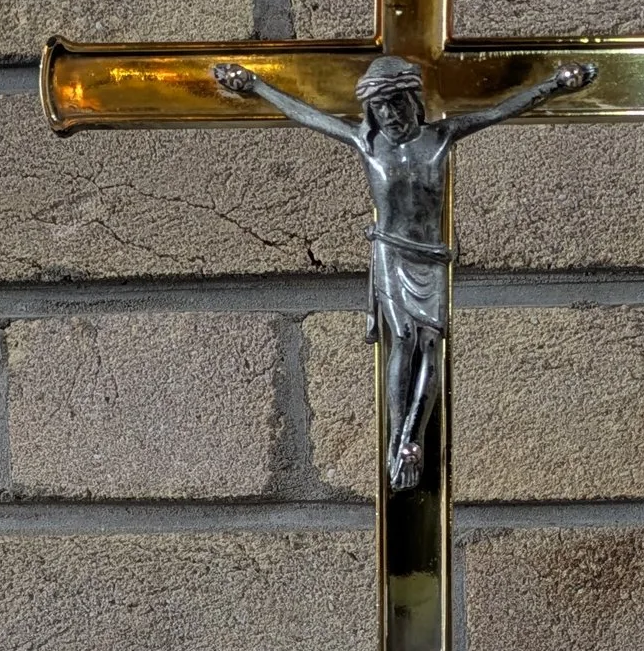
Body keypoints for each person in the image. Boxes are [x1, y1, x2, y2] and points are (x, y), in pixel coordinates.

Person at [211, 51, 596, 489]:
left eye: (397, 103)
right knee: (405, 338)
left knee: (430, 345)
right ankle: (400, 439)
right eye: (380, 108)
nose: (390, 115)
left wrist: (552, 86)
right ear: (370, 112)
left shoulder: (440, 137)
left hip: (430, 256)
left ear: (415, 100)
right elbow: (309, 116)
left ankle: (413, 435)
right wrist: (256, 86)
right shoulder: (367, 142)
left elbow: (498, 111)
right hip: (392, 253)